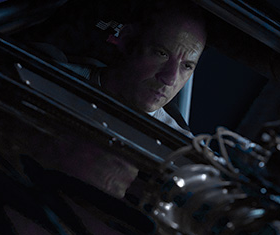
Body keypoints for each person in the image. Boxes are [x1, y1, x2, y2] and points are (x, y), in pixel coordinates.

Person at [60, 1, 207, 136]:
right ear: (127, 41)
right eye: (161, 54)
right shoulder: (55, 80)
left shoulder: (180, 147)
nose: (170, 79)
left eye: (187, 66)